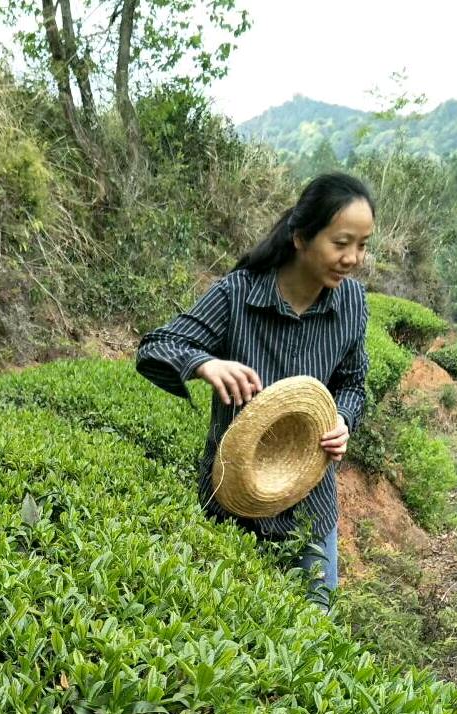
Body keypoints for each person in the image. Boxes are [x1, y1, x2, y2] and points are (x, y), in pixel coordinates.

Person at [135, 172, 375, 613]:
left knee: (312, 635)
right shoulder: (238, 295)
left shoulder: (353, 304)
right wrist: (205, 363)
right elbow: (156, 347)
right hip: (232, 504)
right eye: (341, 243)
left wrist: (343, 418)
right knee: (227, 630)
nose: (352, 258)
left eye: (362, 245)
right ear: (301, 237)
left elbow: (354, 383)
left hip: (310, 507)